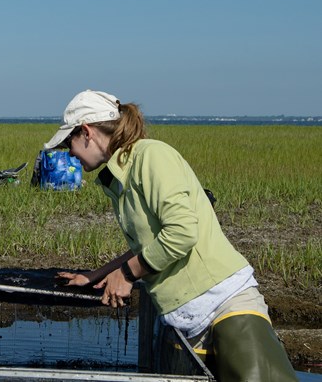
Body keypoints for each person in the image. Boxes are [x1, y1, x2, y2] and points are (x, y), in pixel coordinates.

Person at [50, 90, 297, 381]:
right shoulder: (121, 174)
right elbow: (152, 244)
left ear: (87, 132)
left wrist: (127, 276)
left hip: (224, 303)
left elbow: (181, 232)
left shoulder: (151, 156)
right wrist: (100, 274)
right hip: (186, 320)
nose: (69, 152)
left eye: (69, 142)